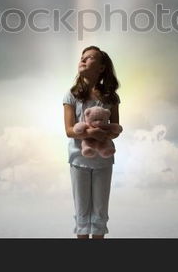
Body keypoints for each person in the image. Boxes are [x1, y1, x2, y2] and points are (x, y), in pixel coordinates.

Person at [63, 45, 122, 239]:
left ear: (101, 67)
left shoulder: (110, 97)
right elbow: (70, 131)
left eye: (90, 57)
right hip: (79, 160)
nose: (83, 59)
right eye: (82, 57)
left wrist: (104, 135)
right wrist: (90, 133)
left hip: (103, 161)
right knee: (82, 214)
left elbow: (116, 128)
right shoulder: (71, 95)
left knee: (99, 215)